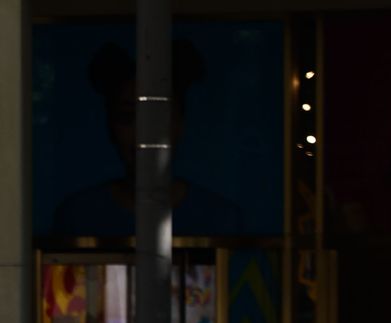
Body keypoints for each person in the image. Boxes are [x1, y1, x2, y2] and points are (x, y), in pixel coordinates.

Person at [51, 39, 245, 237]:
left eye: (157, 117)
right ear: (110, 127)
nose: (143, 133)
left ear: (179, 123)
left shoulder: (218, 218)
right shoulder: (79, 216)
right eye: (127, 117)